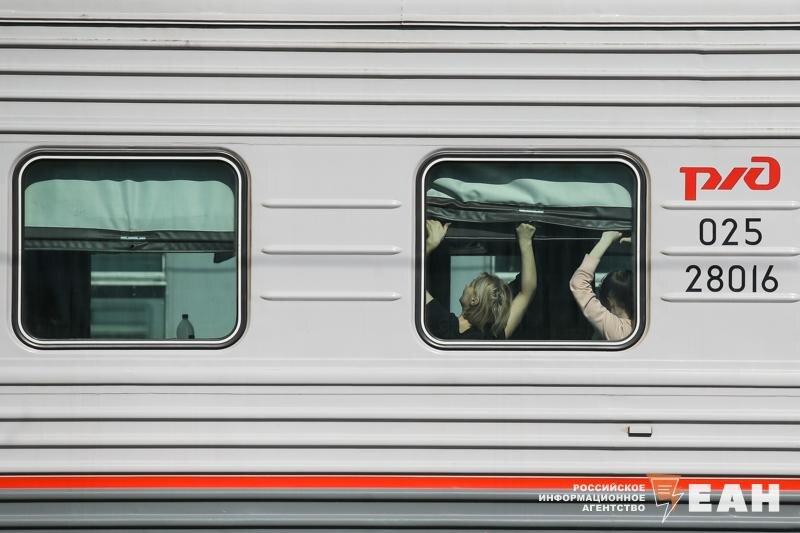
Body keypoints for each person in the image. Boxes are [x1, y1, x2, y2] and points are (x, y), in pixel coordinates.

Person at [424, 220, 537, 340]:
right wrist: (526, 241)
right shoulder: (493, 336)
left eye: (472, 284)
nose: (466, 285)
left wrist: (430, 244)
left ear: (474, 300)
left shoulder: (444, 325)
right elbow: (527, 292)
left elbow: (413, 284)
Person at [569, 230, 633, 341]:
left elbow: (579, 283)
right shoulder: (647, 324)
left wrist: (606, 239)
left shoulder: (618, 330)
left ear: (611, 298)